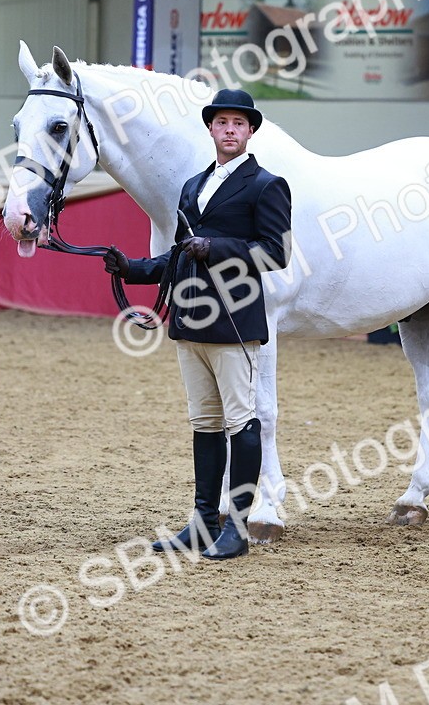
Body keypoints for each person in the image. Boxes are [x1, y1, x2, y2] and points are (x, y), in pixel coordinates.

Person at [104, 88, 291, 560]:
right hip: (191, 326)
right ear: (210, 128)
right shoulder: (191, 187)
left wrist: (219, 249)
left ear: (250, 132)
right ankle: (204, 522)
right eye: (222, 122)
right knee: (205, 425)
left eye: (239, 123)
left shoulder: (267, 185)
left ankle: (238, 525)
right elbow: (178, 257)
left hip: (234, 324)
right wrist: (133, 268)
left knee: (241, 421)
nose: (230, 130)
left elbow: (277, 252)